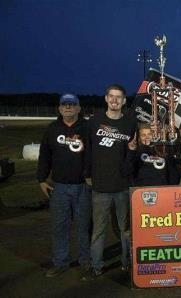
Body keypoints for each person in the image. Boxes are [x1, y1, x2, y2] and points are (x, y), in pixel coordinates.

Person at [37, 93, 91, 277]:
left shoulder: (87, 128)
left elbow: (95, 155)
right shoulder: (52, 129)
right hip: (58, 187)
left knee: (84, 226)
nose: (68, 107)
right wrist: (42, 179)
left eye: (72, 104)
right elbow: (44, 155)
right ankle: (60, 262)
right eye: (64, 104)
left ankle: (86, 260)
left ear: (78, 108)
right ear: (60, 108)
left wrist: (91, 176)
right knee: (60, 227)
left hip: (83, 187)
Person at [84, 84, 136, 278]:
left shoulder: (130, 123)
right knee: (99, 231)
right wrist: (87, 175)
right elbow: (87, 150)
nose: (115, 100)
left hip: (122, 186)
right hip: (100, 187)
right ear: (106, 98)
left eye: (119, 97)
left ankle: (127, 263)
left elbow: (132, 153)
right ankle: (96, 266)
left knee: (125, 230)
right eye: (111, 96)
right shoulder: (95, 121)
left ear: (124, 101)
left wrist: (131, 152)